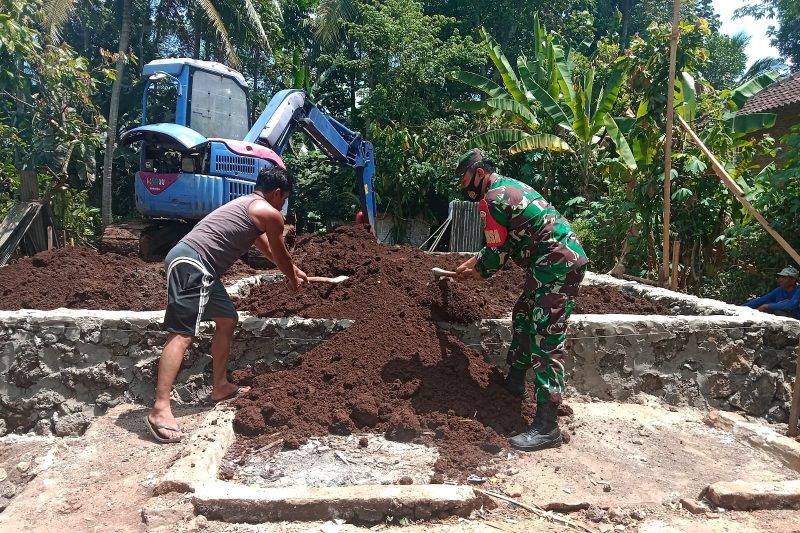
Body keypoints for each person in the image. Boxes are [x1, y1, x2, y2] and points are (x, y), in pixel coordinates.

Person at [145, 165, 307, 443]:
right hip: (193, 263)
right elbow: (281, 254)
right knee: (183, 334)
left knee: (227, 319)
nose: (283, 205)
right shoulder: (270, 213)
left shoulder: (246, 205)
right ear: (278, 193)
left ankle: (219, 386)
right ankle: (160, 409)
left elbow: (267, 248)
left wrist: (294, 270)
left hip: (201, 266)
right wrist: (291, 277)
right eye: (284, 198)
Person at [453, 148, 588, 452]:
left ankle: (547, 426)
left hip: (556, 265)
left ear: (479, 173)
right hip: (551, 262)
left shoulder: (492, 200)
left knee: (545, 337)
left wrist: (480, 271)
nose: (464, 187)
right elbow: (500, 243)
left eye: (464, 179)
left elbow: (496, 256)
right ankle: (515, 383)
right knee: (524, 315)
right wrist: (477, 261)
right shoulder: (509, 188)